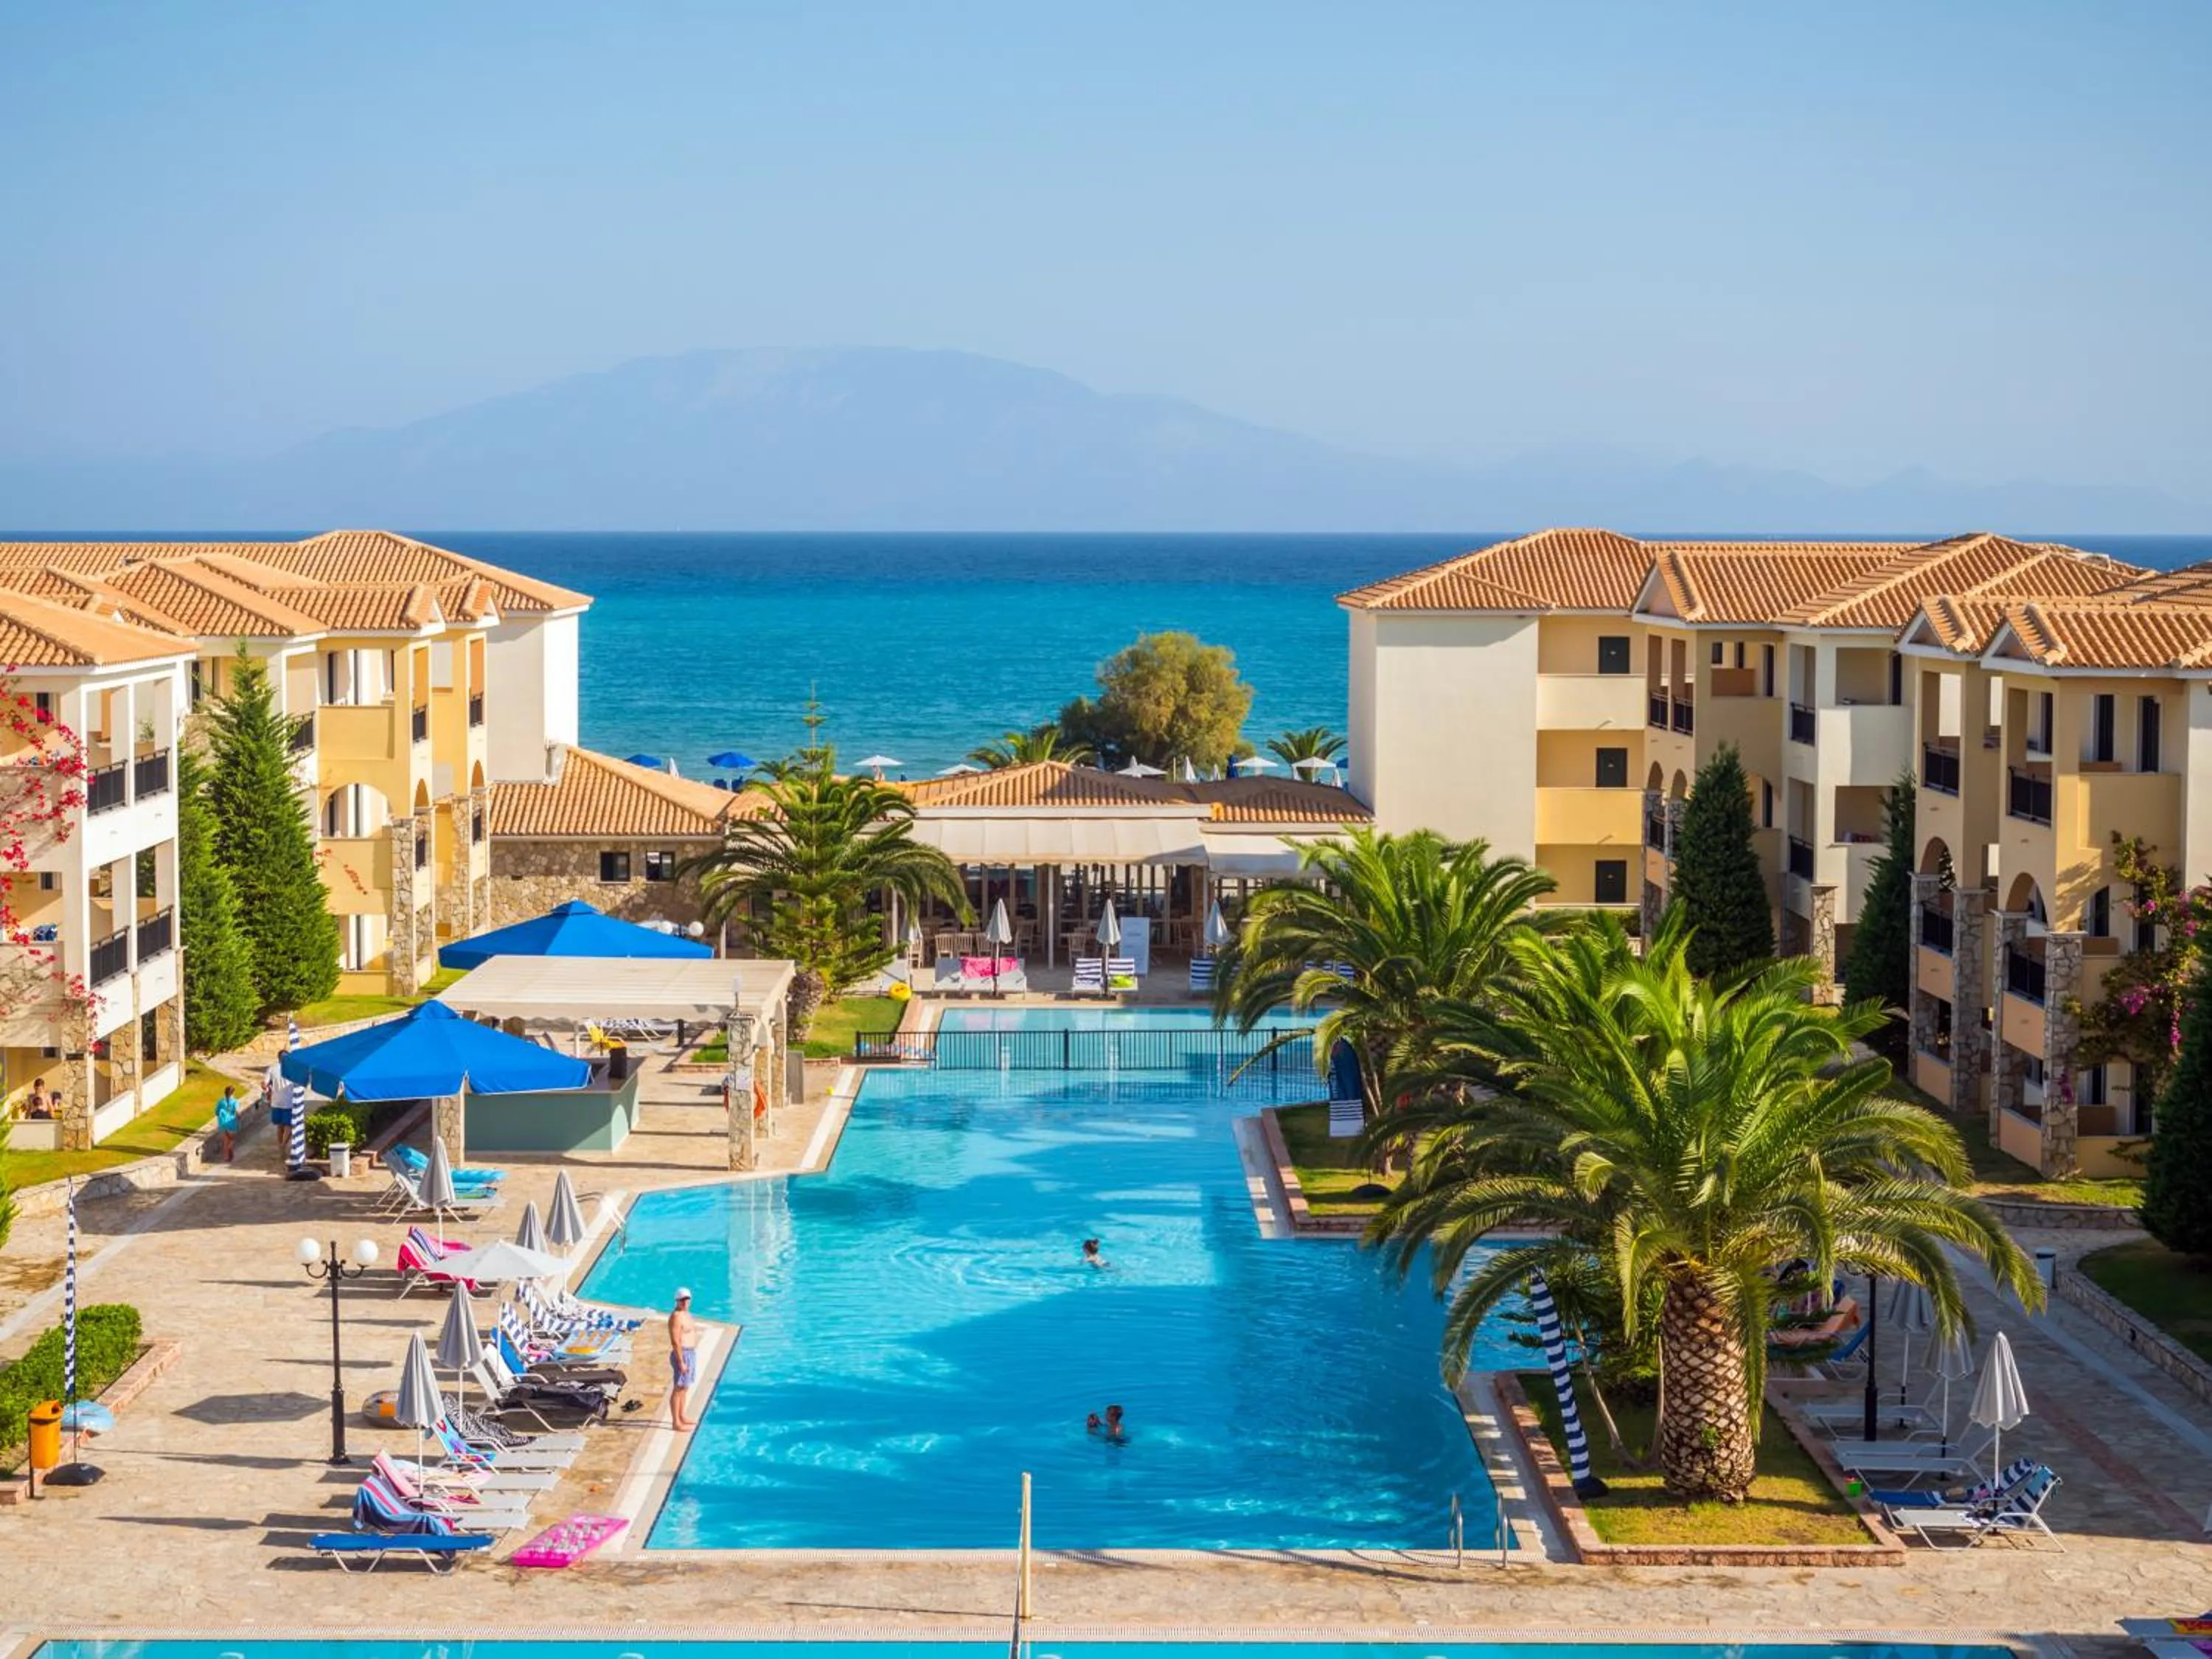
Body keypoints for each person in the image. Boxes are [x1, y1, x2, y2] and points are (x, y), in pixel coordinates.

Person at [668, 1287, 700, 1431]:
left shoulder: (687, 1314)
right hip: (683, 1354)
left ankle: (682, 1416)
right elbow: (675, 1341)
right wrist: (681, 1361)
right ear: (677, 1301)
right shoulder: (676, 1317)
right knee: (679, 1388)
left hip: (691, 1354)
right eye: (682, 1300)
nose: (685, 1302)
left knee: (685, 1387)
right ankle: (676, 1423)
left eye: (687, 1299)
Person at [214, 1085, 240, 1163]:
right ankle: (230, 1148)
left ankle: (227, 1157)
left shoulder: (221, 1101)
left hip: (223, 1123)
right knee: (232, 1139)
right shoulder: (235, 1102)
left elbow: (217, 1112)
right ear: (233, 1093)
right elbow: (237, 1112)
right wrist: (239, 1117)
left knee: (226, 1141)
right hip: (231, 1123)